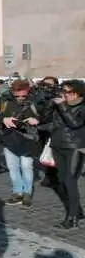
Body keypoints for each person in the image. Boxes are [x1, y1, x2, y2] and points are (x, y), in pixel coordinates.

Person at [0, 80, 43, 207]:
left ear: (28, 91)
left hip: (28, 139)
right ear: (13, 92)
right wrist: (3, 119)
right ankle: (17, 192)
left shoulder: (35, 101)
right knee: (13, 168)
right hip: (9, 138)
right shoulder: (5, 101)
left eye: (23, 96)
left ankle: (27, 192)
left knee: (26, 167)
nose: (21, 99)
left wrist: (37, 120)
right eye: (17, 96)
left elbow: (46, 116)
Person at [47, 80, 85, 229]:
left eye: (68, 92)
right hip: (58, 145)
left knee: (70, 181)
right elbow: (48, 120)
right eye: (64, 91)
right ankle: (79, 211)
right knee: (62, 180)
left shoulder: (82, 107)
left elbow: (74, 123)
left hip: (75, 147)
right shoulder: (59, 105)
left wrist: (62, 105)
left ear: (77, 93)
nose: (65, 95)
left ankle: (73, 217)